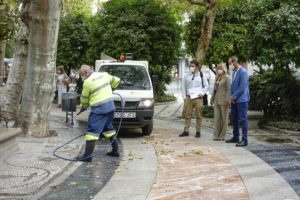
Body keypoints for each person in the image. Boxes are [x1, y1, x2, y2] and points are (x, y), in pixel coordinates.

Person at [75, 65, 120, 162]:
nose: (82, 77)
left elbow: (84, 98)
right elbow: (117, 80)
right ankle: (115, 151)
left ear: (86, 72)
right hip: (110, 107)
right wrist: (112, 88)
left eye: (82, 75)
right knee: (108, 129)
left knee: (92, 133)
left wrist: (84, 106)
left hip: (99, 110)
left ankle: (87, 156)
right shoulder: (104, 75)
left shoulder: (88, 82)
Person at [180, 59, 208, 138]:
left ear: (197, 67)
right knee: (187, 115)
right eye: (190, 66)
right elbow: (183, 87)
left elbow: (206, 85)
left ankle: (198, 131)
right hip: (189, 98)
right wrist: (184, 97)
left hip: (198, 98)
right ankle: (186, 131)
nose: (191, 68)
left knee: (198, 115)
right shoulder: (186, 76)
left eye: (192, 66)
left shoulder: (201, 75)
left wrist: (202, 93)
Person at [226, 56, 250, 147]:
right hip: (234, 100)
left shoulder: (243, 72)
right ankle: (235, 137)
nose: (230, 65)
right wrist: (231, 98)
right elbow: (234, 86)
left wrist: (232, 97)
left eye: (230, 63)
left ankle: (244, 140)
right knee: (234, 119)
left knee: (243, 120)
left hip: (242, 100)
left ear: (235, 62)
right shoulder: (234, 72)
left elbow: (242, 88)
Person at [210, 63, 231, 141]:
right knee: (217, 119)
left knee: (224, 119)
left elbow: (228, 90)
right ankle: (216, 135)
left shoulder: (227, 78)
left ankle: (222, 136)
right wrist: (211, 99)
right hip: (216, 100)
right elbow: (214, 90)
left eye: (221, 68)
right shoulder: (217, 77)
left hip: (224, 101)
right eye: (218, 68)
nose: (219, 70)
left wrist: (227, 100)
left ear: (224, 69)